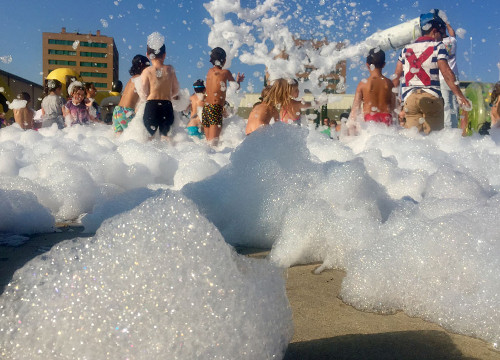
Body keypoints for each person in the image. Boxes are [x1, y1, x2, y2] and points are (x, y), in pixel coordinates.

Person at [393, 10, 469, 134]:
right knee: (434, 141)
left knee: (412, 141)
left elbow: (396, 78)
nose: (442, 37)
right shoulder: (438, 47)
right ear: (434, 31)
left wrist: (395, 103)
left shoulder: (405, 50)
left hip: (410, 100)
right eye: (441, 33)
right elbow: (446, 72)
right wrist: (460, 96)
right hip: (431, 97)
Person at [141, 32, 180, 140]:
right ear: (164, 54)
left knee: (150, 137)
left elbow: (144, 91)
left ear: (147, 55)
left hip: (151, 105)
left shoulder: (147, 71)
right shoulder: (170, 69)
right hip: (166, 105)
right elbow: (176, 89)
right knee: (166, 136)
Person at [202, 47, 244, 145]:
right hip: (215, 108)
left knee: (208, 142)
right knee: (214, 143)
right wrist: (238, 81)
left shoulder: (209, 72)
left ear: (211, 60)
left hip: (206, 108)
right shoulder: (225, 72)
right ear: (224, 61)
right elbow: (235, 87)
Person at [349, 48, 394, 126]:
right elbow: (394, 108)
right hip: (387, 118)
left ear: (367, 65)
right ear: (384, 64)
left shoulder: (363, 84)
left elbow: (355, 111)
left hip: (370, 118)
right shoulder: (389, 83)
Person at [112, 55, 150, 134]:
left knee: (119, 139)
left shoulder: (132, 79)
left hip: (117, 111)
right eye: (148, 66)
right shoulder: (141, 78)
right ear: (142, 65)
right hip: (127, 112)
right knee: (135, 138)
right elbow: (145, 97)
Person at [439, 21, 460, 128]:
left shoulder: (438, 43)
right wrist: (447, 23)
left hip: (443, 77)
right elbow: (452, 32)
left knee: (446, 104)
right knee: (455, 103)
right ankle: (455, 126)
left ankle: (448, 127)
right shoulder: (452, 40)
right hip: (454, 76)